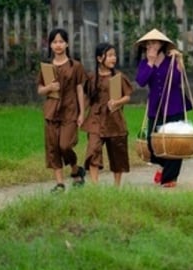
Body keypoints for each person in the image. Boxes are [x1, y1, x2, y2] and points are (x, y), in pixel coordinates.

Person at [135, 29, 190, 188]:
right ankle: (163, 166)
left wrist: (180, 63)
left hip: (174, 105)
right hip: (155, 107)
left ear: (162, 44)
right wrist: (151, 63)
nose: (151, 46)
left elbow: (179, 80)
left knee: (175, 143)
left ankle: (169, 178)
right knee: (152, 144)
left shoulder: (172, 60)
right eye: (148, 43)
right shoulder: (144, 63)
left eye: (154, 43)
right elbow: (141, 81)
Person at [36, 28, 87, 193]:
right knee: (53, 148)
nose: (58, 45)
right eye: (54, 42)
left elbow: (80, 89)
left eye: (61, 41)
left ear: (67, 44)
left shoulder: (75, 65)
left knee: (65, 145)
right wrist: (49, 87)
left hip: (70, 110)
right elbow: (40, 90)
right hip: (52, 111)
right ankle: (60, 184)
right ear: (50, 45)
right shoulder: (46, 67)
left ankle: (75, 168)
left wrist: (81, 113)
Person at [81, 42, 133, 186]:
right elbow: (86, 98)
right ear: (99, 58)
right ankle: (94, 187)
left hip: (115, 120)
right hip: (95, 119)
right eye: (109, 55)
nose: (113, 58)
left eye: (114, 55)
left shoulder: (119, 77)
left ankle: (116, 186)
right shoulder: (91, 78)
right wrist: (80, 114)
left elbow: (127, 96)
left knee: (118, 153)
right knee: (93, 150)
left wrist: (117, 102)